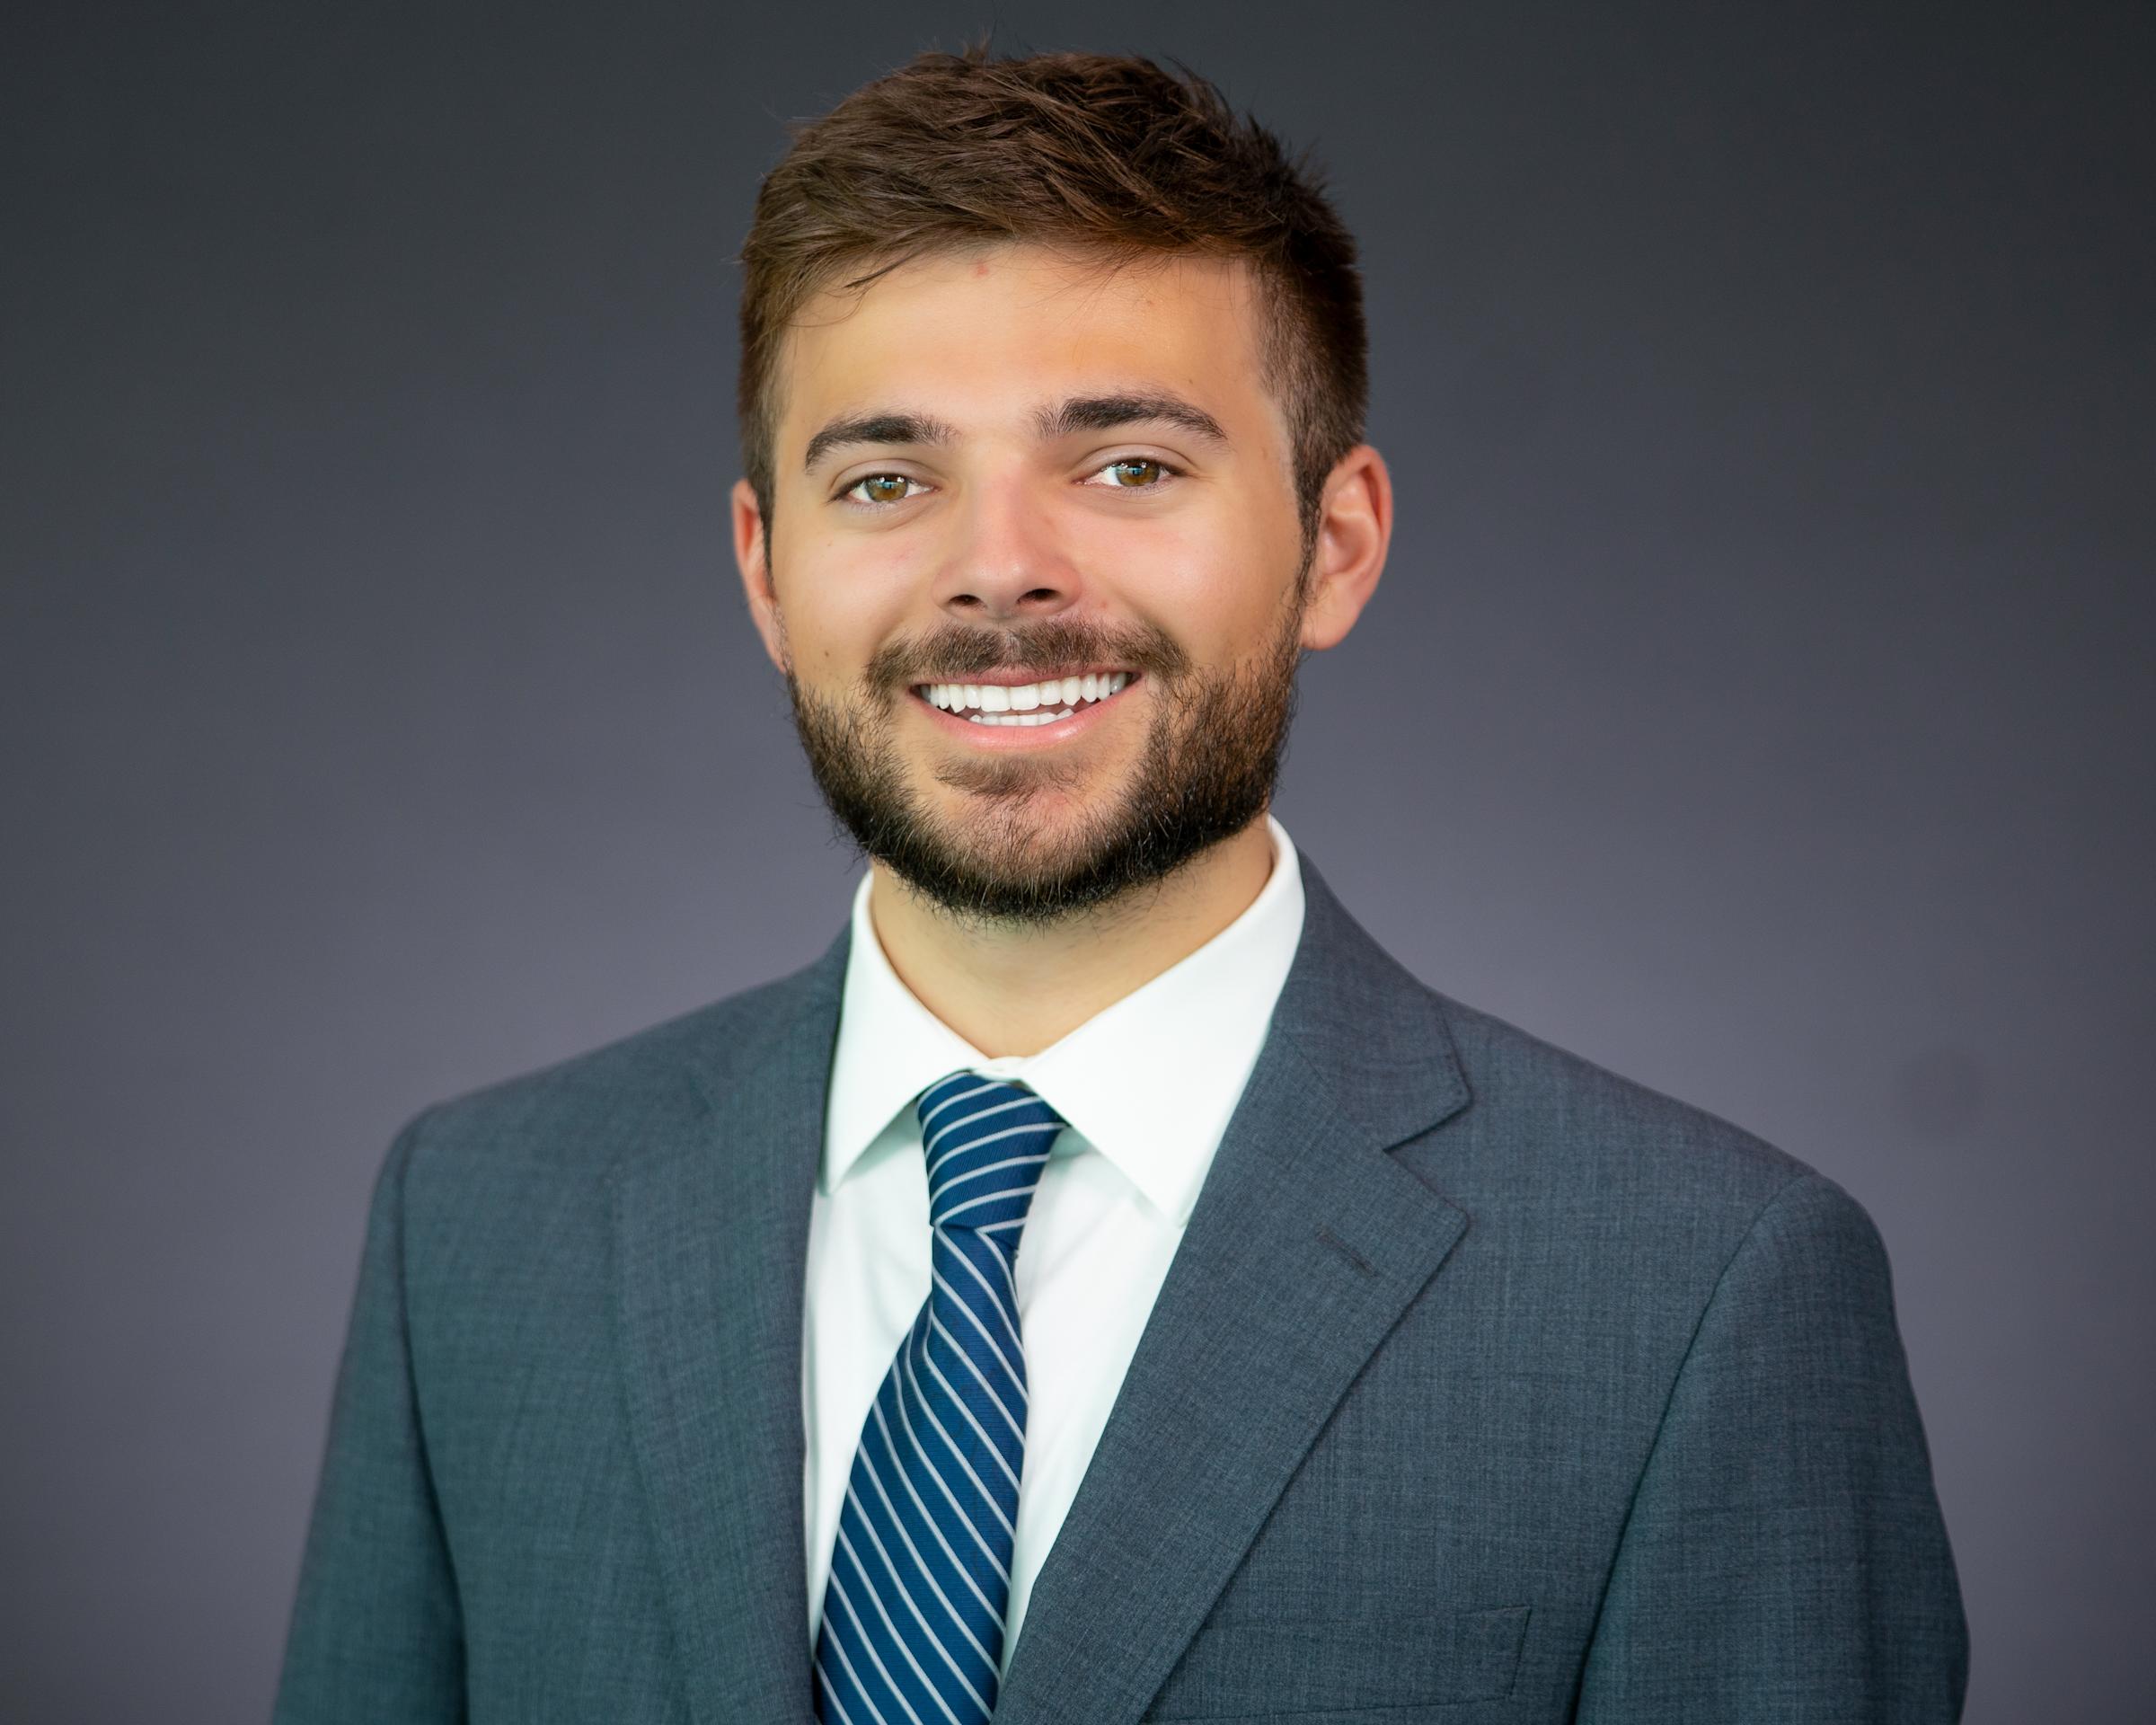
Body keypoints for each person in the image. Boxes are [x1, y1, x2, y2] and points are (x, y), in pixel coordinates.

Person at [274, 46, 1967, 1725]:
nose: (999, 562)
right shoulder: (481, 1224)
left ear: (1337, 544)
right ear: (767, 573)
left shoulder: (1698, 1294)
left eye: (1131, 463)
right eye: (885, 479)